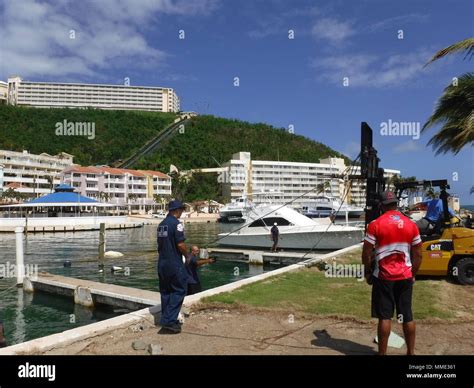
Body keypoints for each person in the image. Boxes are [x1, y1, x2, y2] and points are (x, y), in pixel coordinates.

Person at [362, 191, 423, 355]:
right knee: (407, 316)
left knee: (385, 317)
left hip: (383, 277)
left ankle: (382, 354)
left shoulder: (375, 224)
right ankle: (411, 353)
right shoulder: (411, 224)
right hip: (405, 276)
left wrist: (368, 271)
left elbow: (366, 253)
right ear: (396, 204)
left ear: (381, 206)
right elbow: (418, 255)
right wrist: (413, 274)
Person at [157, 200, 189, 334]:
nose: (182, 212)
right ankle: (169, 321)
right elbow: (180, 245)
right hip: (174, 263)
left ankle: (167, 318)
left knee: (166, 292)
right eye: (182, 210)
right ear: (177, 210)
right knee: (179, 290)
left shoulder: (161, 225)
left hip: (162, 263)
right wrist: (187, 256)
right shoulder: (177, 224)